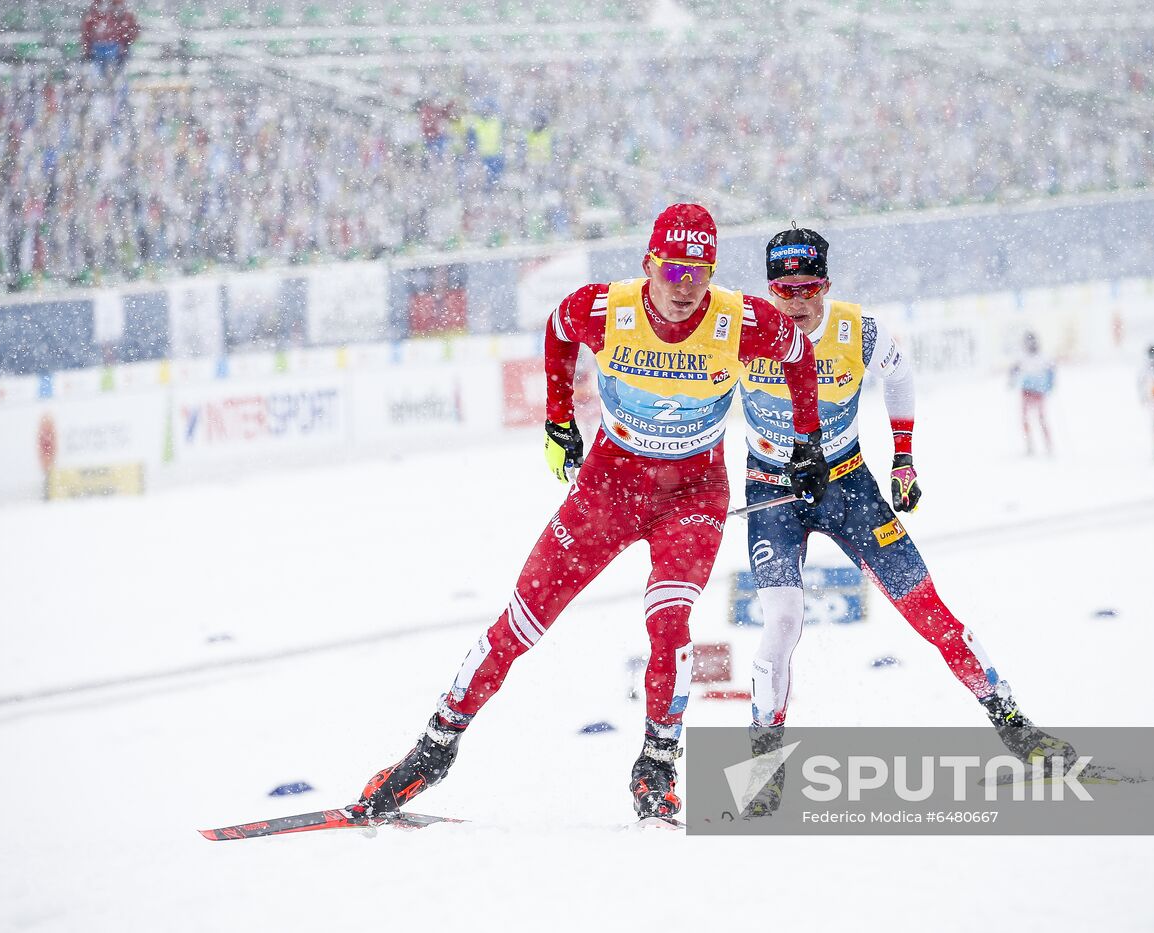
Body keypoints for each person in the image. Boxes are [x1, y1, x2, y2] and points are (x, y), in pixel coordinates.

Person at [353, 204, 828, 822]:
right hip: (610, 486)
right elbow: (556, 329)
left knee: (670, 624)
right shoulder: (606, 309)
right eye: (672, 271)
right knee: (522, 620)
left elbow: (799, 359)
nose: (684, 288)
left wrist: (808, 442)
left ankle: (656, 766)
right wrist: (556, 419)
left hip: (693, 495)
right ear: (648, 264)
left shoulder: (741, 319)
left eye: (698, 273)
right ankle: (434, 749)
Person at [738, 225, 1077, 816]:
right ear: (769, 287)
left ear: (828, 283)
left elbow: (899, 374)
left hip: (848, 485)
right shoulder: (744, 331)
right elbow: (699, 395)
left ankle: (1016, 728)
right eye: (784, 289)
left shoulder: (857, 330)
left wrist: (904, 458)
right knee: (784, 618)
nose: (796, 300)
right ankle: (764, 765)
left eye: (808, 286)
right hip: (773, 491)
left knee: (928, 611)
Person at [1009, 330, 1055, 456]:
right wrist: (1012, 379)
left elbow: (1051, 369)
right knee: (1026, 419)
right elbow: (1014, 369)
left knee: (1040, 419)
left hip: (1038, 392)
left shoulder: (1043, 357)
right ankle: (1030, 444)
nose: (1030, 345)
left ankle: (1048, 445)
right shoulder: (1023, 357)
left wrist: (1051, 383)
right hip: (1027, 391)